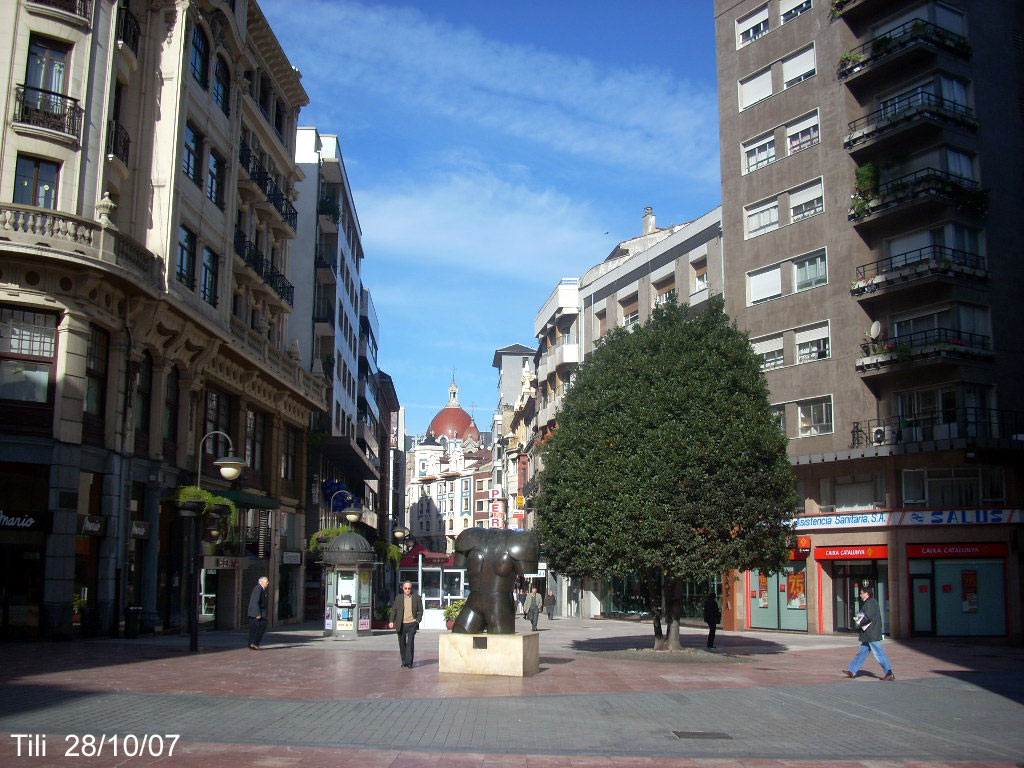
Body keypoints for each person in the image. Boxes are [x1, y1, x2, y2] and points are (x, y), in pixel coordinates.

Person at [843, 584, 895, 681]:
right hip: (868, 633)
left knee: (879, 653)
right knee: (862, 652)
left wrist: (858, 621)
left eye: (861, 593)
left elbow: (868, 617)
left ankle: (889, 672)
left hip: (872, 633)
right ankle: (852, 670)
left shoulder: (871, 603)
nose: (860, 595)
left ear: (867, 594)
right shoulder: (869, 602)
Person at [388, 581, 423, 668]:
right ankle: (404, 662)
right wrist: (391, 621)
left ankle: (409, 662)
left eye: (409, 588)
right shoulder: (399, 598)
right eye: (405, 588)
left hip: (412, 623)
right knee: (402, 644)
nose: (407, 590)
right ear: (403, 589)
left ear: (411, 589)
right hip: (401, 624)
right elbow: (394, 610)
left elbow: (421, 611)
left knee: (410, 643)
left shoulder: (416, 598)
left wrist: (417, 621)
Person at [247, 576, 269, 650]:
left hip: (259, 612)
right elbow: (255, 601)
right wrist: (258, 614)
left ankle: (252, 644)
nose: (267, 583)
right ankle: (254, 643)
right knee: (260, 626)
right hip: (256, 612)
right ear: (261, 582)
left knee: (254, 628)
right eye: (266, 581)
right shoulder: (258, 589)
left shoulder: (262, 589)